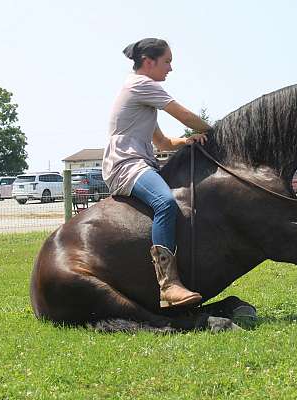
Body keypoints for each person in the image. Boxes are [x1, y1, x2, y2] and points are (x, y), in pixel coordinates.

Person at [102, 38, 212, 308]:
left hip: (141, 162)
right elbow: (184, 116)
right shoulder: (141, 84)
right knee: (165, 202)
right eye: (167, 61)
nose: (171, 68)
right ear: (149, 62)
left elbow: (162, 144)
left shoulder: (142, 96)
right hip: (125, 165)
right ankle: (168, 285)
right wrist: (216, 132)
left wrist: (186, 141)